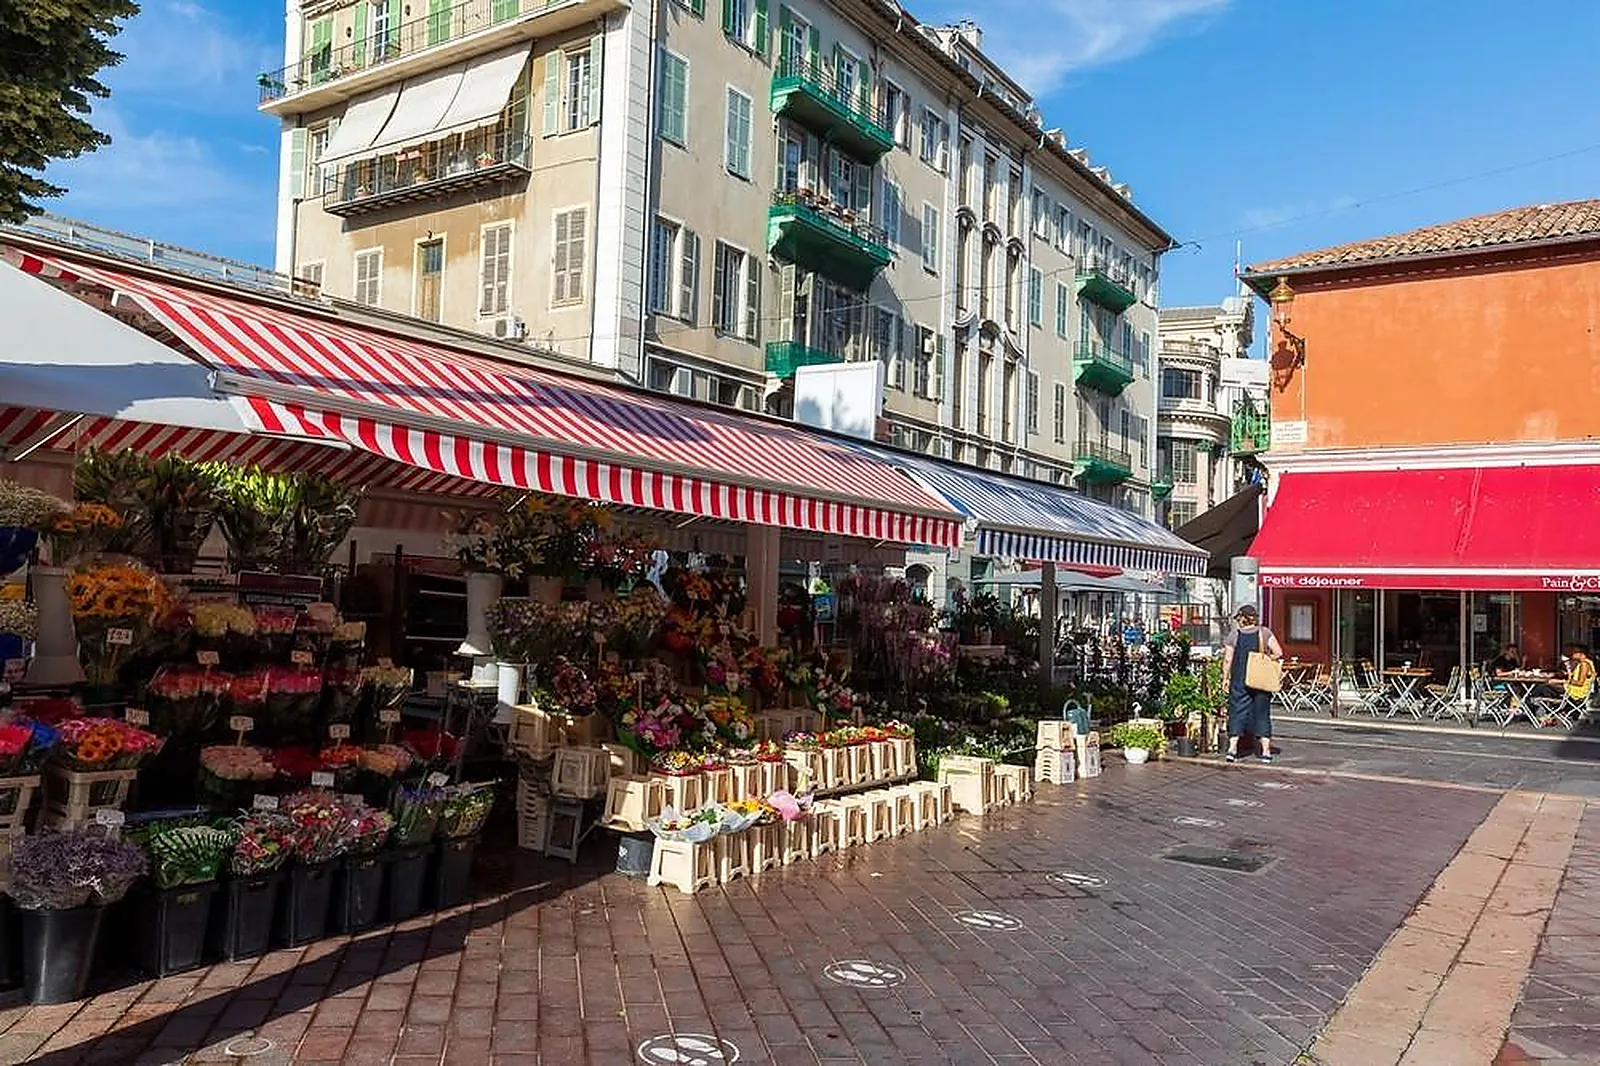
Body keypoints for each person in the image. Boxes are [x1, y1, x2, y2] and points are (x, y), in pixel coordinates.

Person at [1221, 604, 1283, 763]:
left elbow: (1228, 659)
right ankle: (1266, 752)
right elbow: (1279, 652)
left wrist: (1225, 678)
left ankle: (1232, 750)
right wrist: (1265, 660)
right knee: (1262, 714)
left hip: (1239, 680)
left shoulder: (1234, 635)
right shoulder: (1264, 632)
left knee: (1237, 712)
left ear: (1241, 618)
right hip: (1260, 680)